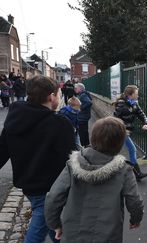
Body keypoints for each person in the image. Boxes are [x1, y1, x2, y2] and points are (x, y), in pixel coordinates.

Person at [0, 75, 76, 243]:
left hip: (27, 184)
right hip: (50, 187)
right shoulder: (59, 123)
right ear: (51, 96)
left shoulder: (14, 119)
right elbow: (73, 158)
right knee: (40, 223)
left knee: (50, 222)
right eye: (58, 94)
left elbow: (2, 151)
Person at [44, 116, 144, 243]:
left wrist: (55, 224)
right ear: (120, 143)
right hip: (108, 234)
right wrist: (136, 219)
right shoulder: (124, 170)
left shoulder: (72, 165)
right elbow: (134, 200)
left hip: (74, 233)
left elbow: (54, 197)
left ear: (93, 137)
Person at [114, 85, 147, 180]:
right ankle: (136, 173)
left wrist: (146, 122)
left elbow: (141, 113)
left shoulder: (134, 103)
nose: (138, 96)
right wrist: (123, 129)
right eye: (136, 94)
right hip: (121, 131)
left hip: (126, 131)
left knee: (123, 150)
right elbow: (115, 120)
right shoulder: (121, 105)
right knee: (130, 149)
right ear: (130, 95)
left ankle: (136, 173)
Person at [74, 83, 92, 147]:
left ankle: (84, 145)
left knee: (82, 132)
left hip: (83, 117)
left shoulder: (83, 95)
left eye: (76, 88)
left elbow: (89, 102)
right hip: (83, 116)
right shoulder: (82, 94)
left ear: (80, 89)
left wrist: (80, 108)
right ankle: (86, 145)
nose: (75, 89)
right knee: (83, 132)